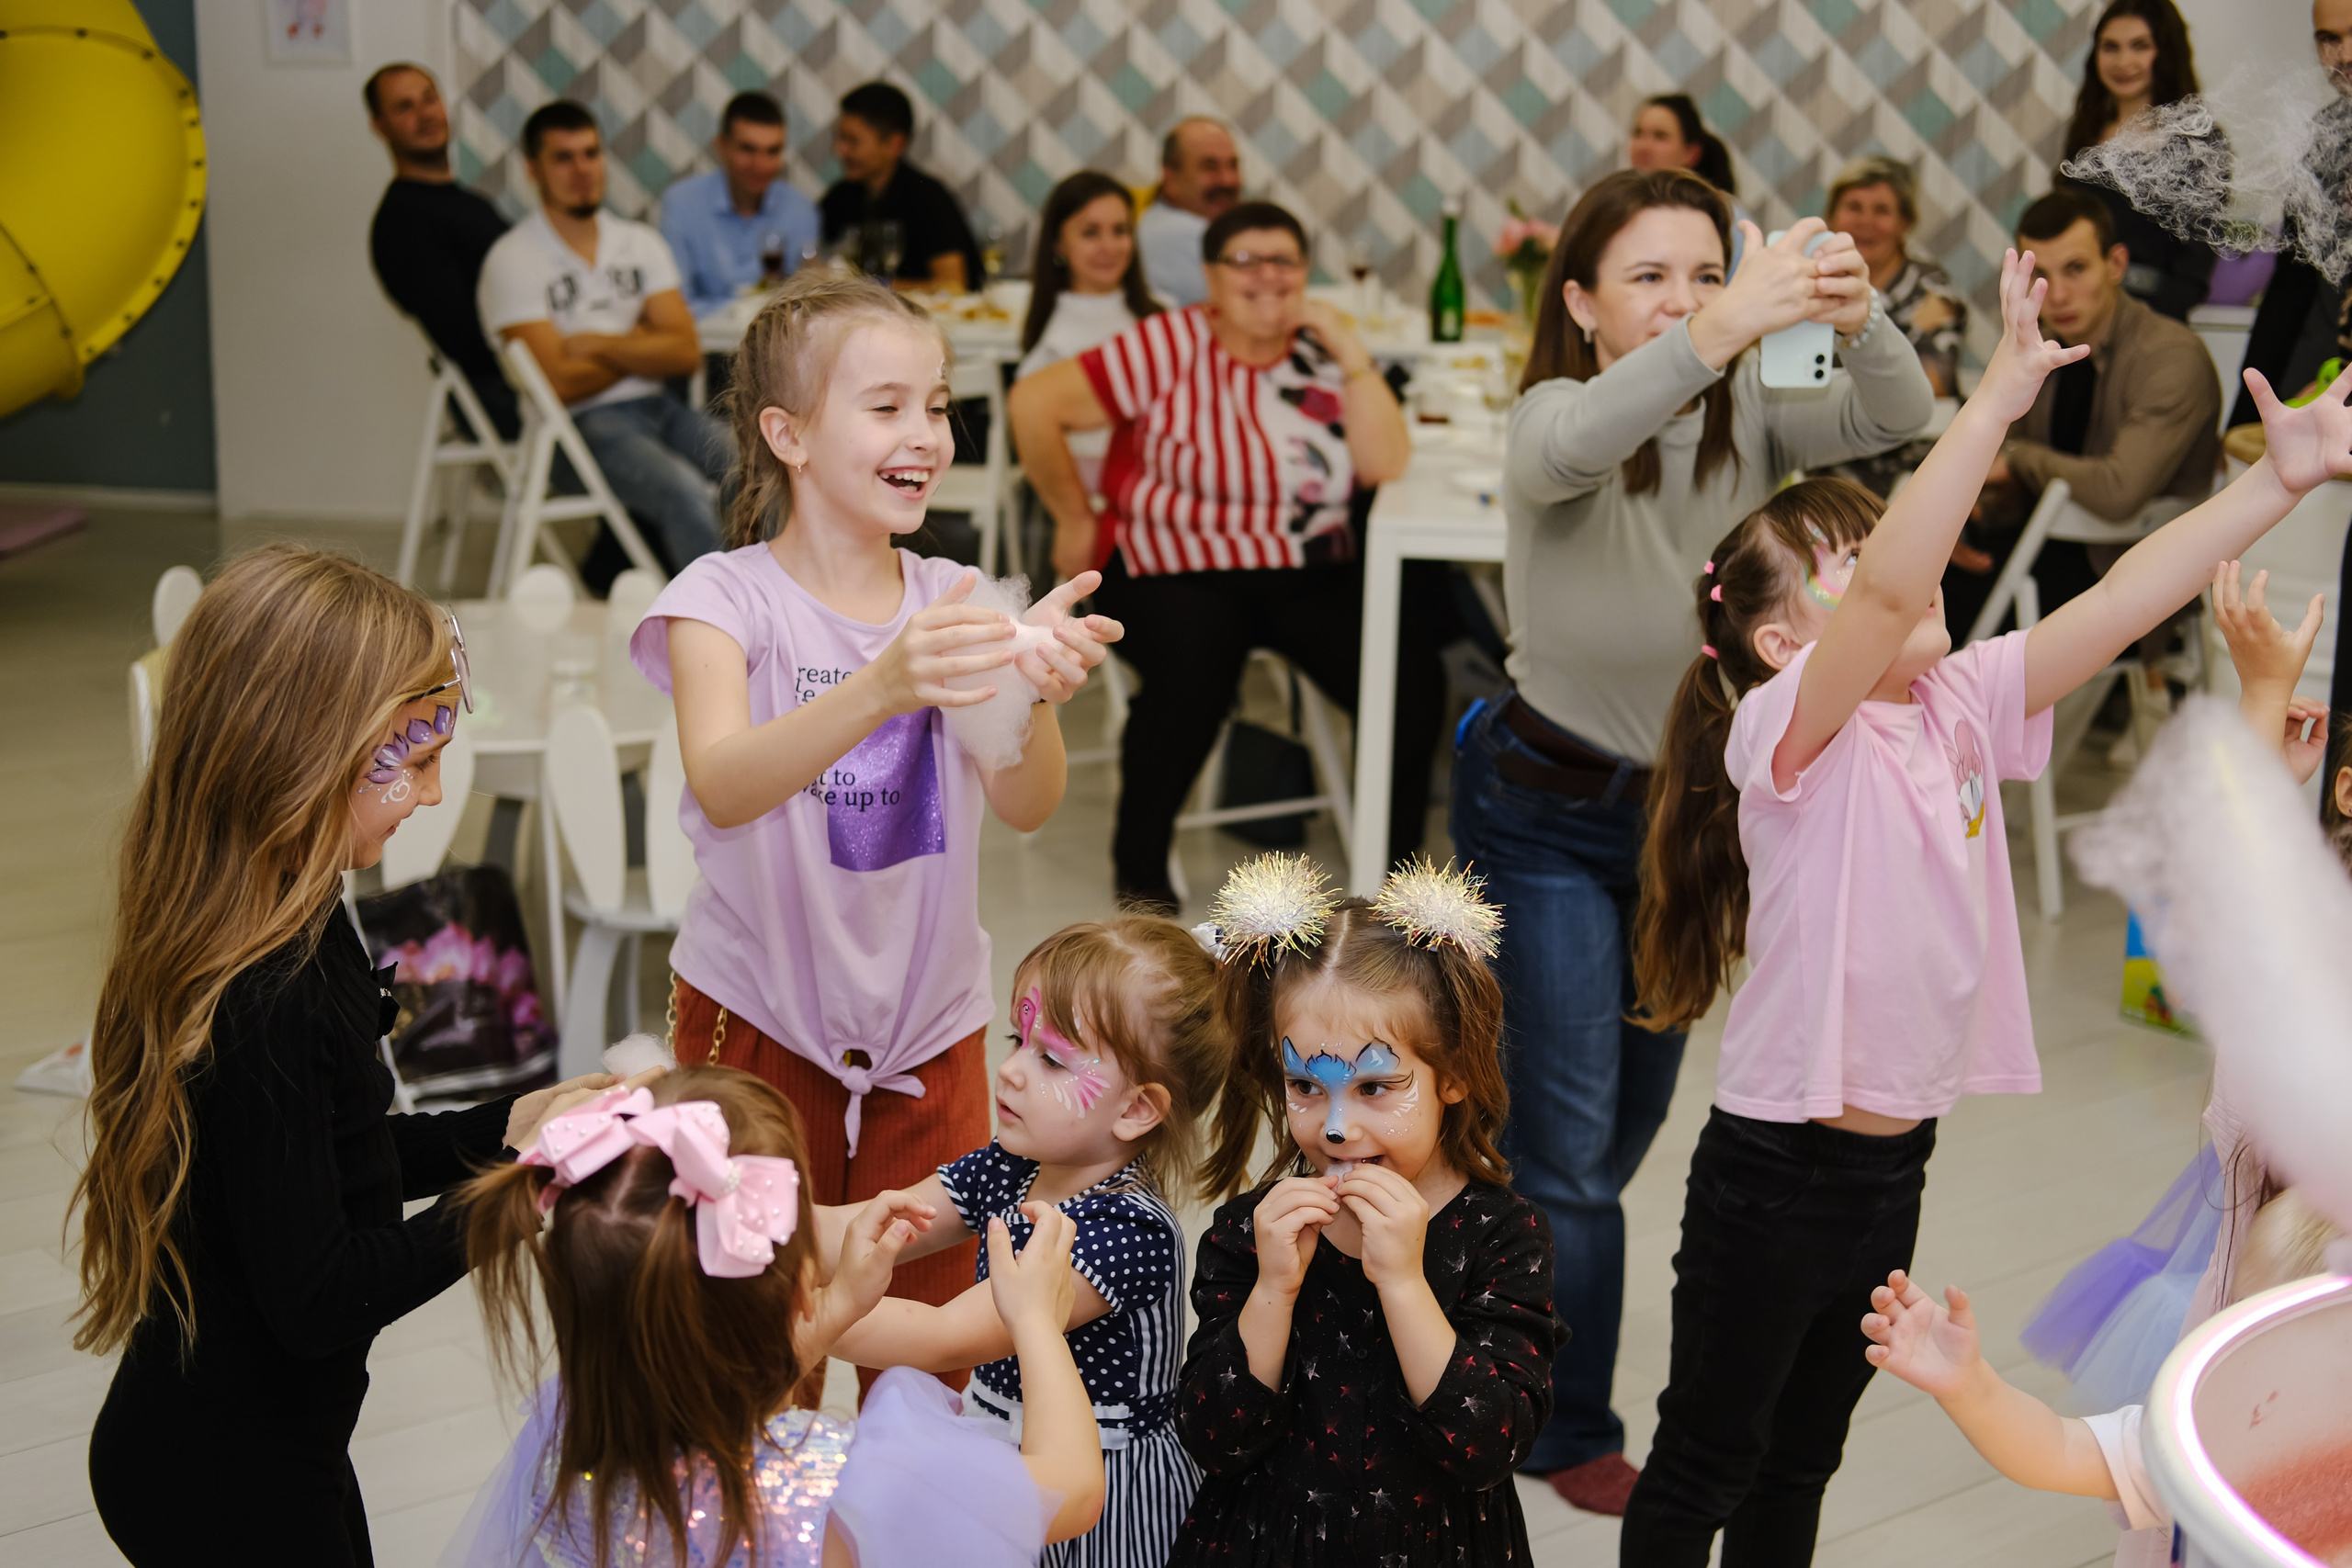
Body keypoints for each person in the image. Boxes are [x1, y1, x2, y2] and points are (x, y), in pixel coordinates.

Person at [1617, 248, 2352, 1563]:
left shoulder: (1958, 701)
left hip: (1888, 1161)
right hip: (1773, 1173)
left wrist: (2274, 479)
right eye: (1843, 563)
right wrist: (2002, 387)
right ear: (1785, 645)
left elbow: (2130, 594)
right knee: (1706, 1460)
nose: (1901, 569)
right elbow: (1899, 585)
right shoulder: (1793, 731)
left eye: (1876, 544)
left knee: (1804, 1456)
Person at [1455, 165, 1934, 1517]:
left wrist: (1856, 300)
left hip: (1688, 823)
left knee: (1615, 1133)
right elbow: (1572, 444)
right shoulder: (1555, 413)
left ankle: (1494, 1305)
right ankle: (1567, 1422)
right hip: (1540, 807)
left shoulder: (1762, 417)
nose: (1685, 296)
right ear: (1583, 303)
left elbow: (1898, 413)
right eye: (1650, 275)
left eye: (1706, 270)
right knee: (1568, 1147)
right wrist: (1720, 327)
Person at [70, 545, 641, 1567]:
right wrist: (524, 1189)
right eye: (414, 763)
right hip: (221, 1476)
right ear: (301, 753)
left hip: (273, 1444)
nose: (431, 797)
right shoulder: (264, 993)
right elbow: (322, 1294)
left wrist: (500, 1128)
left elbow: (333, 1154)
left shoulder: (301, 903)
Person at [628, 270, 1120, 1406]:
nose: (926, 436)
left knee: (932, 1354)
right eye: (887, 406)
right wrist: (885, 683)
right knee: (756, 1345)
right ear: (787, 434)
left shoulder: (960, 597)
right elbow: (726, 779)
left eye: (939, 406)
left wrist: (1031, 691)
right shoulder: (721, 601)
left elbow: (1029, 803)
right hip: (758, 1019)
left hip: (931, 1028)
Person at [441, 1066, 1109, 1567]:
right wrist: (1035, 1322)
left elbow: (717, 1366)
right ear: (795, 1295)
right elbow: (1071, 1489)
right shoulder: (844, 1488)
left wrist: (839, 1305)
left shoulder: (570, 1429)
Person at [1010, 200, 1432, 914]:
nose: (1267, 276)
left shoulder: (1324, 351)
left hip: (1306, 567)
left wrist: (1351, 352)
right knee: (1192, 675)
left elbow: (1385, 461)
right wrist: (1074, 515)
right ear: (1211, 276)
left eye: (1284, 261)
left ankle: (1398, 882)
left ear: (1305, 271)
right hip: (1174, 561)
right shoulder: (1167, 344)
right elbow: (1032, 403)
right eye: (1245, 261)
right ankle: (1141, 876)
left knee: (1410, 677)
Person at [1167, 854, 1566, 1566]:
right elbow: (1212, 1437)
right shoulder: (1254, 1231)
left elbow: (1491, 1443)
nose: (1338, 1127)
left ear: (1456, 1076)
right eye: (1306, 1085)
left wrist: (1407, 1283)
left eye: (1377, 1085)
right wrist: (1273, 1290)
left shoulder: (1503, 1237)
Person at [822, 916, 1234, 1568]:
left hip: (1094, 1497)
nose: (1009, 1070)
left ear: (1135, 1108)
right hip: (1002, 1449)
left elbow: (941, 1335)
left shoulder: (1122, 1231)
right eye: (1019, 1039)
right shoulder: (1011, 1163)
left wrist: (795, 1313)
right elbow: (866, 1223)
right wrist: (735, 1209)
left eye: (1050, 1058)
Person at [1942, 187, 2222, 758]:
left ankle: (1949, 781)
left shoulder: (2172, 357)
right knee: (1919, 582)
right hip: (2047, 547)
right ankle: (1920, 784)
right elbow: (2009, 468)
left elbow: (2118, 493)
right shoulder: (2040, 348)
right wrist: (1968, 512)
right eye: (2041, 276)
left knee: (1941, 627)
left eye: (2076, 269)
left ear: (2116, 264)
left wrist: (2018, 462)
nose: (2060, 294)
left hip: (2128, 569)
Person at [478, 100, 731, 570]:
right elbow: (558, 383)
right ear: (532, 169)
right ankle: (724, 632)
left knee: (758, 468)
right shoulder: (511, 259)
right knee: (683, 490)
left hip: (662, 409)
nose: (582, 170)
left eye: (591, 154)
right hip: (575, 430)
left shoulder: (639, 243)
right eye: (564, 157)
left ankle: (792, 609)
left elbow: (684, 354)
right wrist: (640, 344)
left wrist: (597, 343)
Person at [365, 62, 517, 440]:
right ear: (379, 127)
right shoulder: (401, 224)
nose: (425, 114)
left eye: (429, 100)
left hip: (541, 377)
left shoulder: (471, 205)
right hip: (504, 395)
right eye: (405, 107)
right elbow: (467, 340)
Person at [2057, 0, 2216, 321]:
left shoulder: (2197, 145)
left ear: (2167, 53)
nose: (2123, 61)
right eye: (2111, 47)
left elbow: (2193, 271)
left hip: (2154, 327)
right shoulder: (2084, 133)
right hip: (2077, 325)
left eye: (2140, 46)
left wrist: (2136, 331)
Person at [1821, 155, 1969, 497]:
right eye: (1853, 206)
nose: (1865, 222)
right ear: (1832, 216)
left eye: (1882, 211)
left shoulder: (1933, 294)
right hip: (1823, 437)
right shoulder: (1812, 280)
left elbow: (1931, 393)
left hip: (1904, 453)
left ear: (1906, 222)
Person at [1016, 171, 1165, 498]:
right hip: (1107, 492)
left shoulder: (1159, 318)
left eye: (1120, 230)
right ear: (1059, 243)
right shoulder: (1056, 347)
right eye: (1090, 233)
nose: (1109, 246)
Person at [658, 89, 822, 317]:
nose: (760, 165)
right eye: (748, 149)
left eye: (772, 151)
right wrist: (740, 312)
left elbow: (807, 301)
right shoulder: (682, 203)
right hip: (704, 346)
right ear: (721, 146)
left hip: (775, 346)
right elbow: (676, 304)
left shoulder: (800, 210)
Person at [819, 82, 983, 292]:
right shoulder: (840, 196)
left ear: (894, 145)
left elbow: (953, 285)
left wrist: (866, 285)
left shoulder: (928, 197)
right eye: (839, 138)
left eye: (852, 141)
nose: (839, 150)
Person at [1136, 118, 1241, 307]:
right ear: (1171, 177)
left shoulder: (1154, 218)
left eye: (1233, 165)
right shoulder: (1182, 234)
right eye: (1210, 167)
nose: (1227, 180)